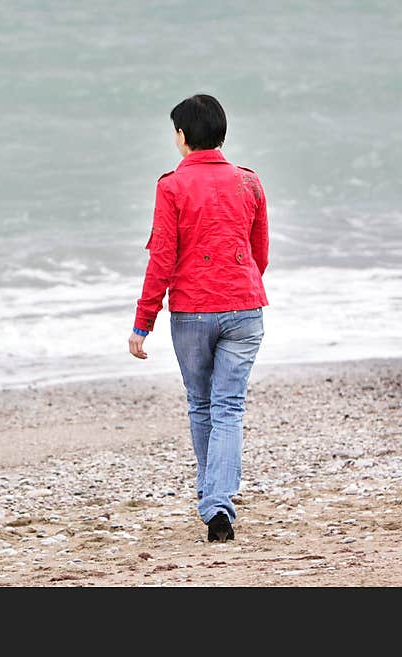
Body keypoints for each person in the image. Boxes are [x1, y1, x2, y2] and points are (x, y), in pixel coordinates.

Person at [128, 94, 269, 543]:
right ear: (221, 134)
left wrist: (142, 323)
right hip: (244, 306)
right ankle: (217, 502)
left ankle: (214, 503)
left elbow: (162, 260)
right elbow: (259, 251)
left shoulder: (171, 186)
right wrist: (239, 286)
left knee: (202, 403)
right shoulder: (249, 182)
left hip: (192, 310)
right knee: (229, 406)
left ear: (183, 136)